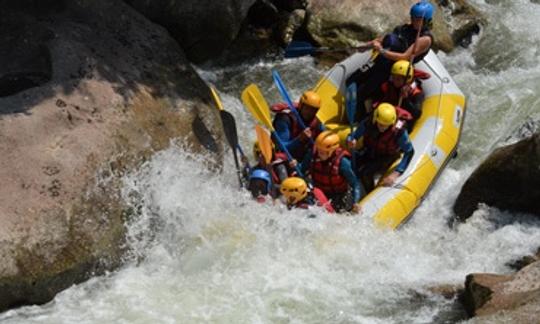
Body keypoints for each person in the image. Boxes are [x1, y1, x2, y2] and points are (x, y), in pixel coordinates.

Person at [347, 1, 435, 120]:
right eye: (413, 17)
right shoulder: (404, 28)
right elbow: (382, 40)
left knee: (363, 92)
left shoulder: (425, 39)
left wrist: (382, 51)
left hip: (394, 69)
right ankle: (358, 110)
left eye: (418, 19)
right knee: (351, 80)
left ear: (426, 21)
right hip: (382, 61)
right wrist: (367, 46)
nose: (414, 21)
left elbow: (404, 57)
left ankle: (359, 118)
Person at [347, 103, 415, 193]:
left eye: (386, 125)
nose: (382, 127)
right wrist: (351, 140)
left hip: (386, 156)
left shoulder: (399, 131)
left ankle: (369, 194)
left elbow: (410, 151)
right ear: (376, 119)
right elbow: (354, 135)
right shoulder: (368, 122)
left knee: (366, 173)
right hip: (370, 150)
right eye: (380, 124)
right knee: (349, 163)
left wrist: (396, 173)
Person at [299, 131, 362, 212]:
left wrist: (355, 202)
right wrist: (295, 165)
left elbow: (355, 183)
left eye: (323, 151)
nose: (320, 153)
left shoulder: (343, 162)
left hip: (339, 196)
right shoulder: (312, 155)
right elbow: (301, 170)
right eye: (319, 150)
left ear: (332, 150)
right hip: (319, 193)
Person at [272, 90, 324, 160]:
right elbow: (282, 148)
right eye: (307, 108)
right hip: (285, 155)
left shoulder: (317, 123)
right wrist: (300, 139)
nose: (309, 112)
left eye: (313, 110)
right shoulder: (285, 119)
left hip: (303, 158)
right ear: (300, 106)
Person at [370, 60, 426, 125]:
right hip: (386, 113)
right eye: (393, 77)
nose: (395, 81)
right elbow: (376, 97)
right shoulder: (389, 85)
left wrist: (405, 99)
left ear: (407, 79)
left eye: (398, 79)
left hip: (402, 119)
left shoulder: (417, 93)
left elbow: (417, 114)